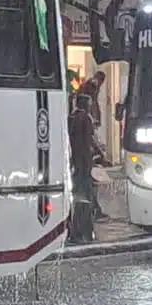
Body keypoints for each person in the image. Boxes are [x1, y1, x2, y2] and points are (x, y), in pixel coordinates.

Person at [69, 93, 108, 243]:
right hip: (85, 161)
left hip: (75, 160)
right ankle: (84, 228)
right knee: (86, 192)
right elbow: (90, 139)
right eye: (89, 103)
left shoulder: (71, 118)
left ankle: (79, 226)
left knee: (80, 192)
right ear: (85, 104)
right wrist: (101, 154)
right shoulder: (85, 118)